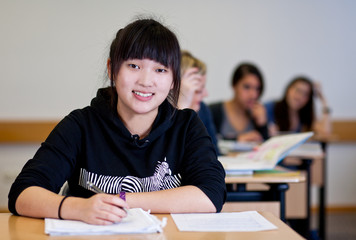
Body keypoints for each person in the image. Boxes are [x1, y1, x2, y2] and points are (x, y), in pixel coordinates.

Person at [8, 18, 226, 225]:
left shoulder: (187, 126)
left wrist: (121, 201)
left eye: (160, 70)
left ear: (173, 80)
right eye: (133, 66)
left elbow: (211, 194)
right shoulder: (81, 125)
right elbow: (22, 193)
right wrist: (79, 208)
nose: (146, 81)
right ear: (112, 69)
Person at [209, 62, 268, 142]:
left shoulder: (258, 114)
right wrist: (237, 139)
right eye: (247, 87)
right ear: (234, 85)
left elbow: (267, 149)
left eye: (257, 88)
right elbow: (208, 142)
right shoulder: (214, 111)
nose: (253, 95)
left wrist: (263, 125)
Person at [178, 50, 219, 154]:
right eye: (198, 90)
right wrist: (183, 109)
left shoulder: (203, 109)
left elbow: (213, 153)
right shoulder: (156, 114)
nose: (206, 94)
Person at [264, 76, 331, 137]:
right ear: (289, 90)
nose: (300, 97)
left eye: (305, 94)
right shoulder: (270, 107)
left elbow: (325, 133)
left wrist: (324, 101)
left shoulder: (303, 115)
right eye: (298, 91)